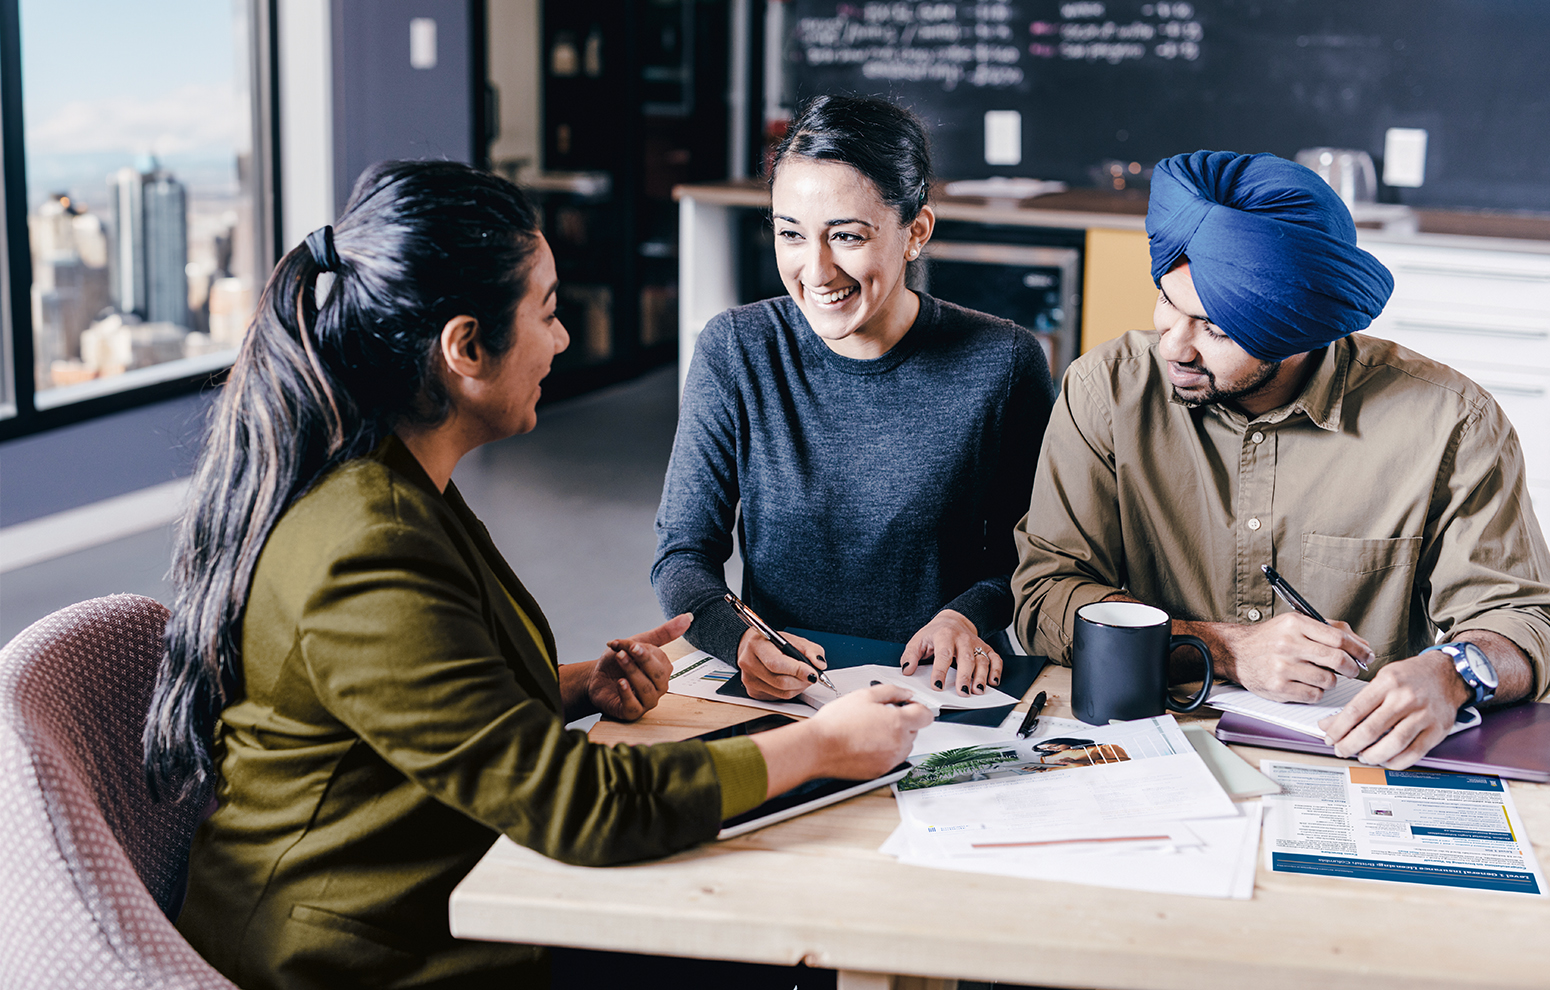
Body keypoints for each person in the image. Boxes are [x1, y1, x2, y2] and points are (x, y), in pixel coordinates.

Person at [142, 160, 930, 990]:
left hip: (436, 890)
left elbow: (416, 704)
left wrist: (581, 686)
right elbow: (578, 805)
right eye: (548, 313)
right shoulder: (363, 546)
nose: (560, 338)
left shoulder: (390, 481)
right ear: (465, 348)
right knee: (781, 963)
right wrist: (819, 745)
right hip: (362, 955)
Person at [1013, 150, 1550, 770]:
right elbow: (1045, 595)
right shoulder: (1107, 390)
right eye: (1167, 302)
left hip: (1357, 757)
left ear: (1298, 331)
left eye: (1215, 329)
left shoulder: (1450, 423)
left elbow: (1521, 618)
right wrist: (1225, 648)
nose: (1176, 346)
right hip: (1148, 742)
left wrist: (1453, 672)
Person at [652, 95, 1056, 702]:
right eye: (791, 234)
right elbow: (683, 553)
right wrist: (738, 639)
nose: (815, 271)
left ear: (915, 231)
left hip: (941, 691)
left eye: (845, 236)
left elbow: (1030, 554)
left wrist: (966, 616)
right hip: (792, 691)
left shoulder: (1004, 362)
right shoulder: (736, 350)